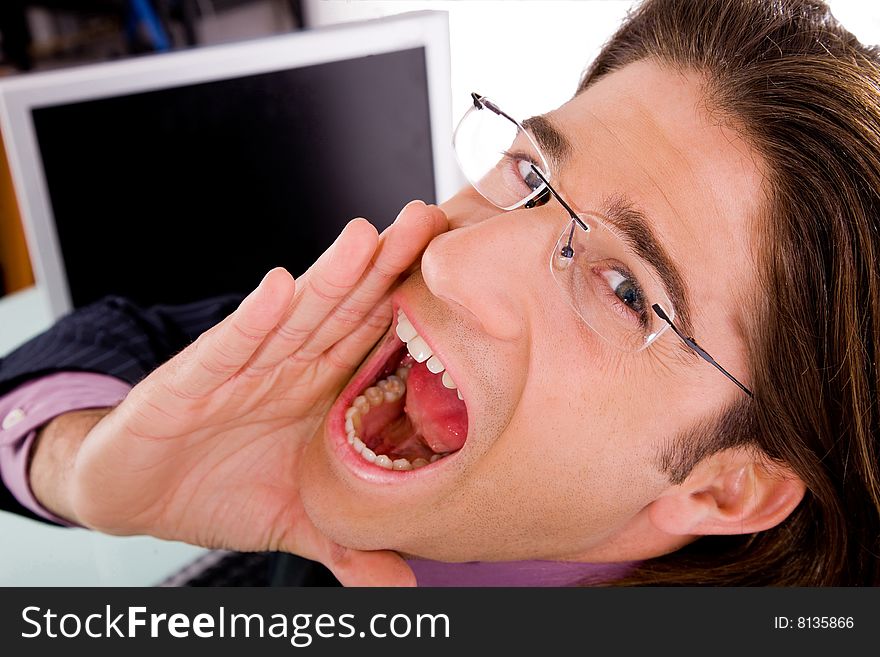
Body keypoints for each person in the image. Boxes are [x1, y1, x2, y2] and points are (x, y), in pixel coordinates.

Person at [2, 0, 879, 586]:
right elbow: (110, 339)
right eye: (532, 175)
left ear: (724, 489)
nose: (454, 264)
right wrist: (77, 467)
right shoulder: (350, 357)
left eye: (624, 288)